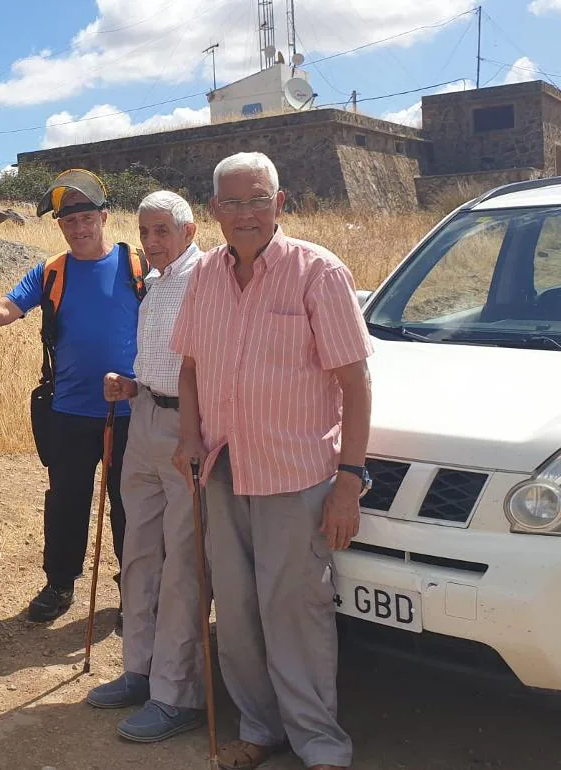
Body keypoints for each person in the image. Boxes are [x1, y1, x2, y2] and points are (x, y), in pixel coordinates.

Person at [169, 151, 373, 770]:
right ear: (213, 212)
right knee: (234, 613)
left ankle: (320, 745)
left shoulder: (318, 272)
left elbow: (356, 384)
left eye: (257, 200)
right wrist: (187, 435)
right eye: (231, 203)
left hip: (295, 473)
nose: (245, 214)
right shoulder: (204, 274)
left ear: (280, 204)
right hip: (224, 470)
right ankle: (261, 730)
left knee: (293, 611)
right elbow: (190, 367)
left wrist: (349, 481)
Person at [0, 169, 144, 623]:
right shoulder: (51, 272)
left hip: (131, 412)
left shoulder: (137, 266)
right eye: (68, 220)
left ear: (104, 217)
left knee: (131, 505)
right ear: (59, 226)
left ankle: (136, 589)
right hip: (69, 412)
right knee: (66, 502)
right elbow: (7, 309)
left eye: (86, 216)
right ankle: (59, 585)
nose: (78, 226)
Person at [85, 191, 210, 744]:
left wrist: (193, 433)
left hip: (189, 431)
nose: (151, 241)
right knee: (137, 550)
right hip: (144, 417)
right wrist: (133, 385)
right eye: (145, 230)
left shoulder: (207, 277)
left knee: (184, 560)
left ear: (188, 230)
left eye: (162, 231)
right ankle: (140, 669)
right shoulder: (157, 279)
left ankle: (177, 693)